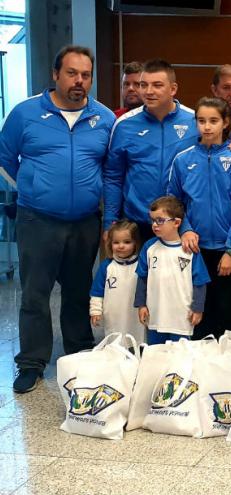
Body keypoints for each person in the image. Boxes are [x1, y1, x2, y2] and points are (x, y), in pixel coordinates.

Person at [1, 45, 115, 393]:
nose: (79, 81)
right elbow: (6, 158)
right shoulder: (26, 113)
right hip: (38, 219)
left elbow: (110, 169)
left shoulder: (104, 118)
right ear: (55, 74)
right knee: (35, 293)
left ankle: (78, 354)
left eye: (86, 75)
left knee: (78, 291)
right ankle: (32, 363)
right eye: (72, 73)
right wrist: (32, 187)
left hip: (84, 221)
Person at [167, 97, 231, 338]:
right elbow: (173, 202)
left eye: (213, 121)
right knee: (197, 309)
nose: (207, 126)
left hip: (227, 249)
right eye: (202, 121)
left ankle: (229, 366)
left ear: (226, 123)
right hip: (194, 247)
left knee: (227, 310)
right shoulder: (183, 160)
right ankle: (201, 366)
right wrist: (184, 230)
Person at [104, 59, 200, 244]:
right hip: (136, 223)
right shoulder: (124, 125)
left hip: (180, 224)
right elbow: (113, 177)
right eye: (143, 85)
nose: (148, 91)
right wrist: (110, 222)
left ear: (173, 89)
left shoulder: (194, 122)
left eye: (157, 85)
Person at [135, 196, 211, 345]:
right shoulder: (149, 247)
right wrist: (141, 304)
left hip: (181, 317)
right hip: (155, 316)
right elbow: (142, 278)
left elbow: (200, 282)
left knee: (179, 358)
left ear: (176, 222)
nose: (155, 225)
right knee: (156, 355)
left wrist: (198, 309)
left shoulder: (189, 250)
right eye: (153, 220)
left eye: (160, 220)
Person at [89, 220, 144, 344]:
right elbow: (97, 292)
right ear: (110, 244)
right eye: (116, 242)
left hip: (136, 315)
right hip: (113, 315)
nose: (121, 246)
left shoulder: (142, 265)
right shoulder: (106, 267)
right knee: (115, 341)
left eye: (127, 242)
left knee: (137, 342)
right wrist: (95, 311)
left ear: (136, 243)